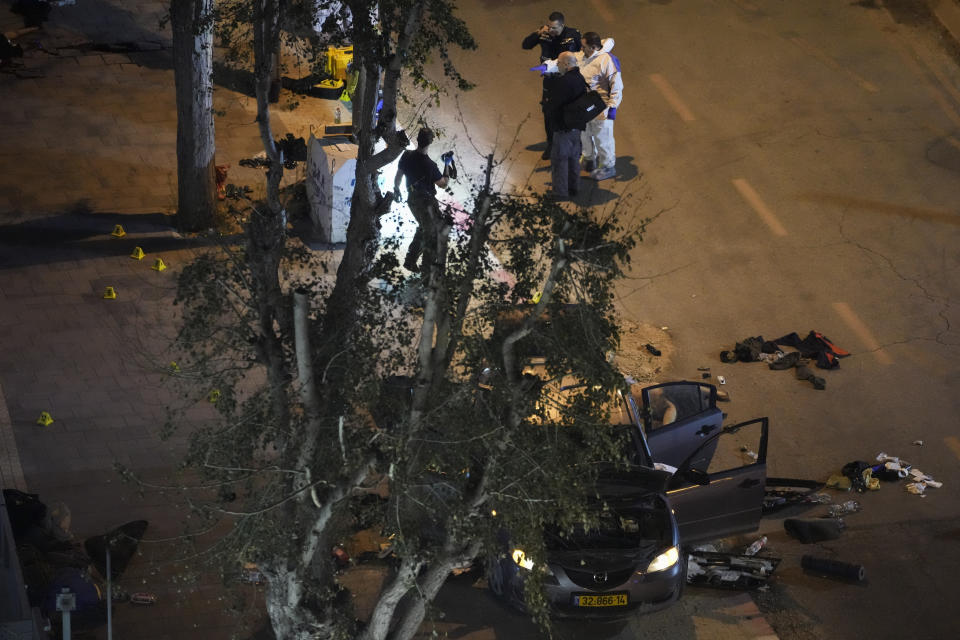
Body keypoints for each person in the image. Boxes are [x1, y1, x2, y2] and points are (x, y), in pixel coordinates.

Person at [522, 11, 581, 159]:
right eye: (549, 27)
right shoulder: (545, 33)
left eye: (554, 28)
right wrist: (537, 33)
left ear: (562, 25)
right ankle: (551, 144)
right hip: (550, 80)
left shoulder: (572, 35)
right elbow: (526, 45)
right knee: (548, 112)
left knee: (569, 112)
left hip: (566, 81)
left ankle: (575, 145)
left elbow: (577, 57)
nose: (551, 30)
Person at [393, 128, 451, 272]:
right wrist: (447, 165)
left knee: (423, 228)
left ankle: (410, 261)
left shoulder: (406, 155)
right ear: (430, 142)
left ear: (418, 140)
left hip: (412, 200)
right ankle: (426, 273)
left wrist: (396, 189)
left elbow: (399, 175)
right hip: (427, 204)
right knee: (432, 236)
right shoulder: (430, 165)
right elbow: (443, 184)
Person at [542, 52, 587, 199]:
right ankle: (574, 187)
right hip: (576, 127)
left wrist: (550, 85)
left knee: (559, 160)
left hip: (563, 127)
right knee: (573, 158)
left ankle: (560, 192)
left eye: (559, 63)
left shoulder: (564, 81)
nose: (557, 66)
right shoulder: (580, 78)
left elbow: (553, 104)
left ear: (567, 64)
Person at [578, 32, 622, 181]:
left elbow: (617, 85)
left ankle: (608, 167)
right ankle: (589, 159)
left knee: (603, 139)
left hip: (602, 107)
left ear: (594, 47)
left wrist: (613, 107)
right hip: (586, 104)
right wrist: (548, 66)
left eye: (584, 46)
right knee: (585, 133)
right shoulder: (584, 56)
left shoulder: (607, 61)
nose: (581, 49)